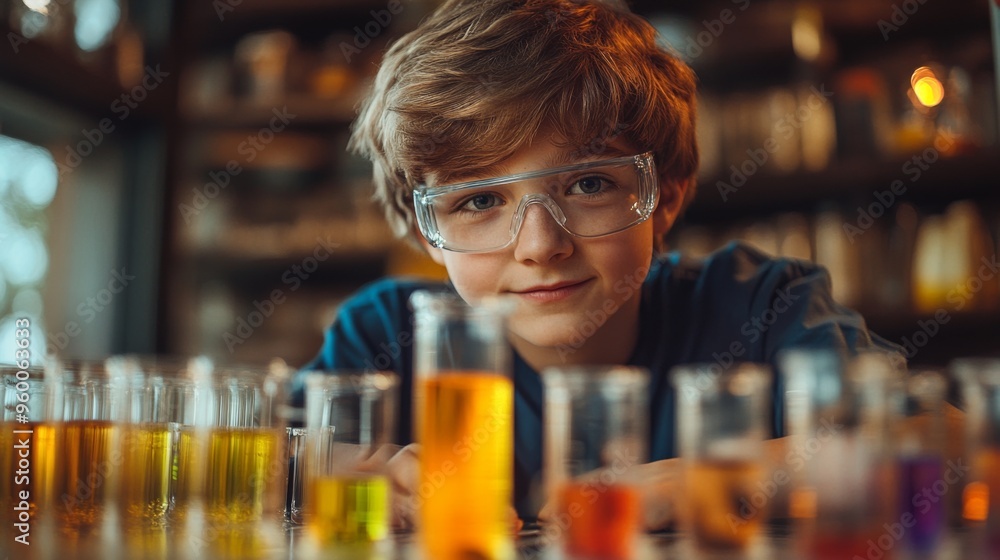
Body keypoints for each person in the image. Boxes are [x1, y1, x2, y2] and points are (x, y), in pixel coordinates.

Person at [293, 0, 902, 530]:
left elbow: (935, 436)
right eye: (478, 201)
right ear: (425, 232)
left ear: (665, 197)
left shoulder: (761, 306)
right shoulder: (386, 335)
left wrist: (724, 478)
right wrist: (328, 470)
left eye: (588, 185)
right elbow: (270, 451)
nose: (539, 246)